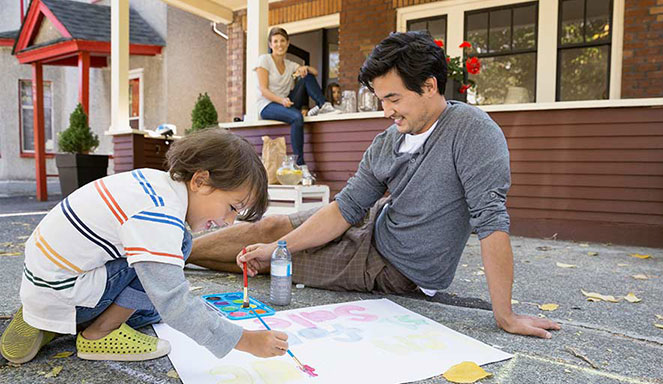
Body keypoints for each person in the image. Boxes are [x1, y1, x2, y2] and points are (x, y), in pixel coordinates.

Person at [188, 32, 560, 340]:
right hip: (373, 227)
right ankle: (171, 249)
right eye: (382, 99)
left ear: (429, 86)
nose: (386, 111)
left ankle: (171, 258)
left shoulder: (473, 133)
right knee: (270, 229)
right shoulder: (388, 141)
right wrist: (276, 244)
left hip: (392, 269)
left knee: (275, 265)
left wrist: (505, 315)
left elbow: (491, 222)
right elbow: (346, 208)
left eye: (394, 98)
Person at [0, 128, 289, 364]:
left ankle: (43, 317)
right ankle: (99, 333)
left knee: (151, 309)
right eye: (231, 207)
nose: (228, 222)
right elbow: (175, 304)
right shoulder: (160, 217)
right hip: (65, 290)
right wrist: (245, 340)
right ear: (200, 180)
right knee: (170, 278)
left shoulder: (154, 183)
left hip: (45, 280)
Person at [256, 27, 340, 167]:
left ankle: (323, 105)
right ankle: (300, 164)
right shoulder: (264, 60)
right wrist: (281, 100)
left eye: (282, 41)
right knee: (296, 117)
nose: (279, 44)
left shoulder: (290, 64)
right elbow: (263, 90)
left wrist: (304, 68)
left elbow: (315, 72)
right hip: (268, 105)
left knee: (306, 76)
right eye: (275, 41)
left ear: (288, 43)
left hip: (287, 102)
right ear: (270, 44)